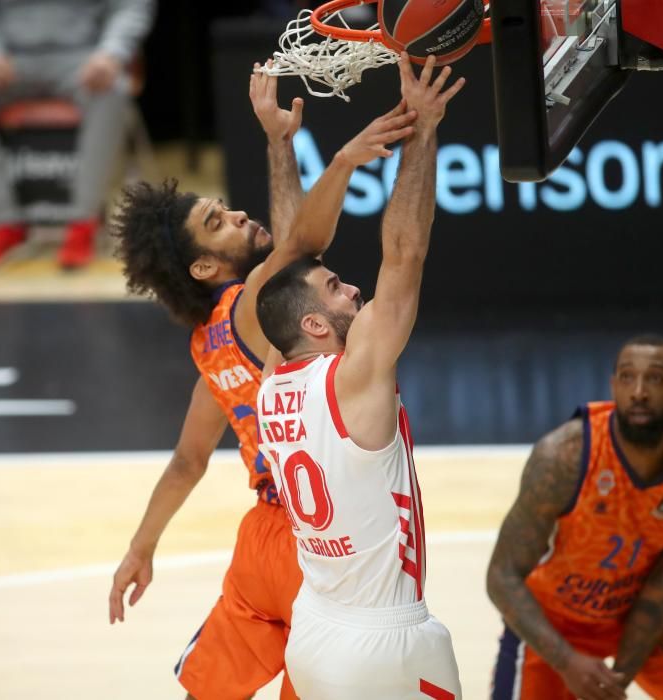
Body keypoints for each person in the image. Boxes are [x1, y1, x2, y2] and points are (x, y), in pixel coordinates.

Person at [107, 66, 417, 700]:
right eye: (219, 222)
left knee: (207, 693)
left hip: (260, 544)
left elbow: (189, 460)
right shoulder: (252, 305)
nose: (237, 216)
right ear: (204, 266)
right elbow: (302, 244)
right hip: (320, 542)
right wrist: (336, 158)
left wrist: (141, 548)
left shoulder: (208, 348)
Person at [255, 53, 465, 700]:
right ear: (315, 326)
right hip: (385, 644)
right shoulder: (354, 378)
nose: (353, 291)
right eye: (339, 290)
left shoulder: (270, 379)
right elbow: (405, 251)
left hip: (315, 633)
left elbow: (294, 256)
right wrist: (425, 129)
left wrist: (279, 145)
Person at [486, 335, 663, 700]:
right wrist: (567, 663)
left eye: (654, 379)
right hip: (557, 620)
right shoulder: (564, 456)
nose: (638, 391)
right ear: (613, 386)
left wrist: (617, 681)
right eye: (627, 378)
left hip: (642, 611)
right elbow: (501, 576)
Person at [0, 0, 155, 268]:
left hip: (82, 58)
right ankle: (3, 221)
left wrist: (111, 53)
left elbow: (131, 6)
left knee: (113, 89)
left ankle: (83, 221)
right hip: (10, 59)